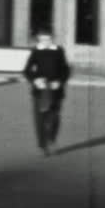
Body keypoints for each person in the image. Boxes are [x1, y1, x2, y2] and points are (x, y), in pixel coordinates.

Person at [22, 27, 71, 157]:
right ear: (39, 39)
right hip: (40, 90)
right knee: (40, 119)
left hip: (56, 90)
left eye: (48, 39)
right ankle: (42, 146)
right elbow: (27, 70)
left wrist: (59, 82)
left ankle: (52, 140)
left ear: (52, 38)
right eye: (42, 39)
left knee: (54, 117)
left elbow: (66, 70)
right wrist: (35, 80)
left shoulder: (59, 51)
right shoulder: (36, 51)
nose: (45, 42)